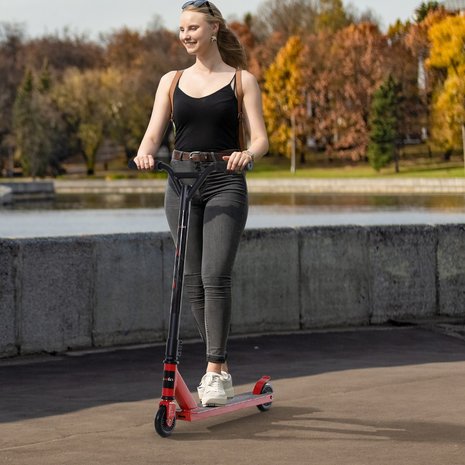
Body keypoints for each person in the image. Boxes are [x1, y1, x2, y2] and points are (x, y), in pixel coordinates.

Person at [134, 0, 269, 407]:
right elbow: (152, 135)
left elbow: (261, 139)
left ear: (213, 29)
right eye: (181, 29)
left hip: (225, 180)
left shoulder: (242, 80)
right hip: (180, 180)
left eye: (193, 27)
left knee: (215, 276)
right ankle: (220, 370)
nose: (186, 35)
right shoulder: (171, 81)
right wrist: (145, 154)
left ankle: (214, 369)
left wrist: (249, 154)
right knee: (191, 279)